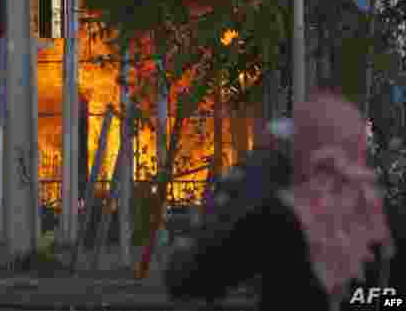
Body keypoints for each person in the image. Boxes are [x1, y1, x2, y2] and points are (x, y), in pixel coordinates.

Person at [165, 92, 395, 310]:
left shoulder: (281, 217)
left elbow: (187, 277)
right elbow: (392, 299)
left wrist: (238, 191)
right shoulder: (387, 217)